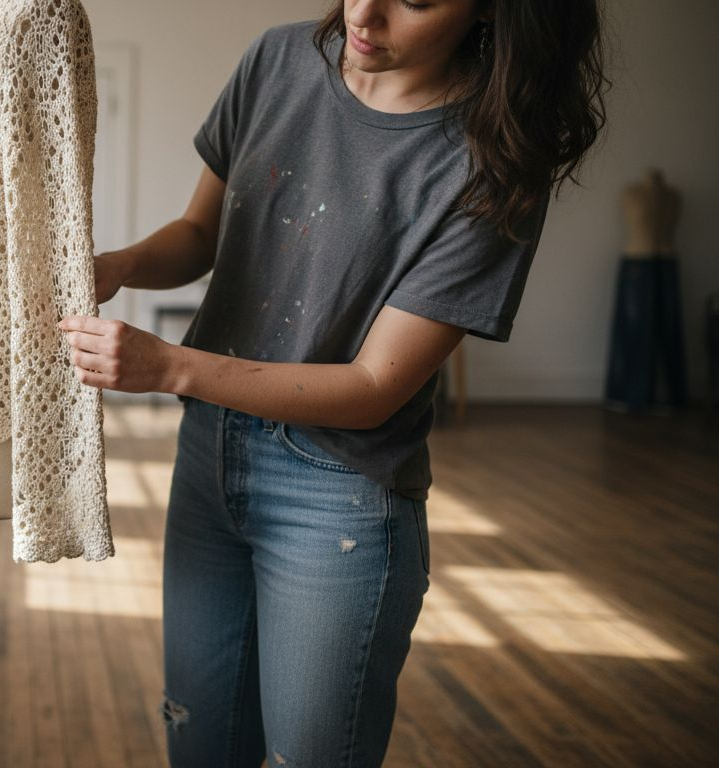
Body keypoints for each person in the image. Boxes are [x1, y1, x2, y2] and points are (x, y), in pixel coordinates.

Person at [59, 0, 607, 765]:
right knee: (198, 740)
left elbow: (375, 384)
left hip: (338, 493)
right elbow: (199, 236)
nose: (365, 12)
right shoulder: (277, 61)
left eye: (414, 1)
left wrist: (171, 367)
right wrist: (119, 265)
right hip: (207, 456)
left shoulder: (496, 160)